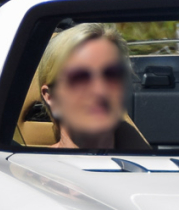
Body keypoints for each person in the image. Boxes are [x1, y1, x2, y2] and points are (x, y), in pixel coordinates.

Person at [27, 23, 153, 152]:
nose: (100, 90)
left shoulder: (150, 168)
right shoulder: (29, 168)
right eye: (80, 77)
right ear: (50, 96)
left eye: (111, 75)